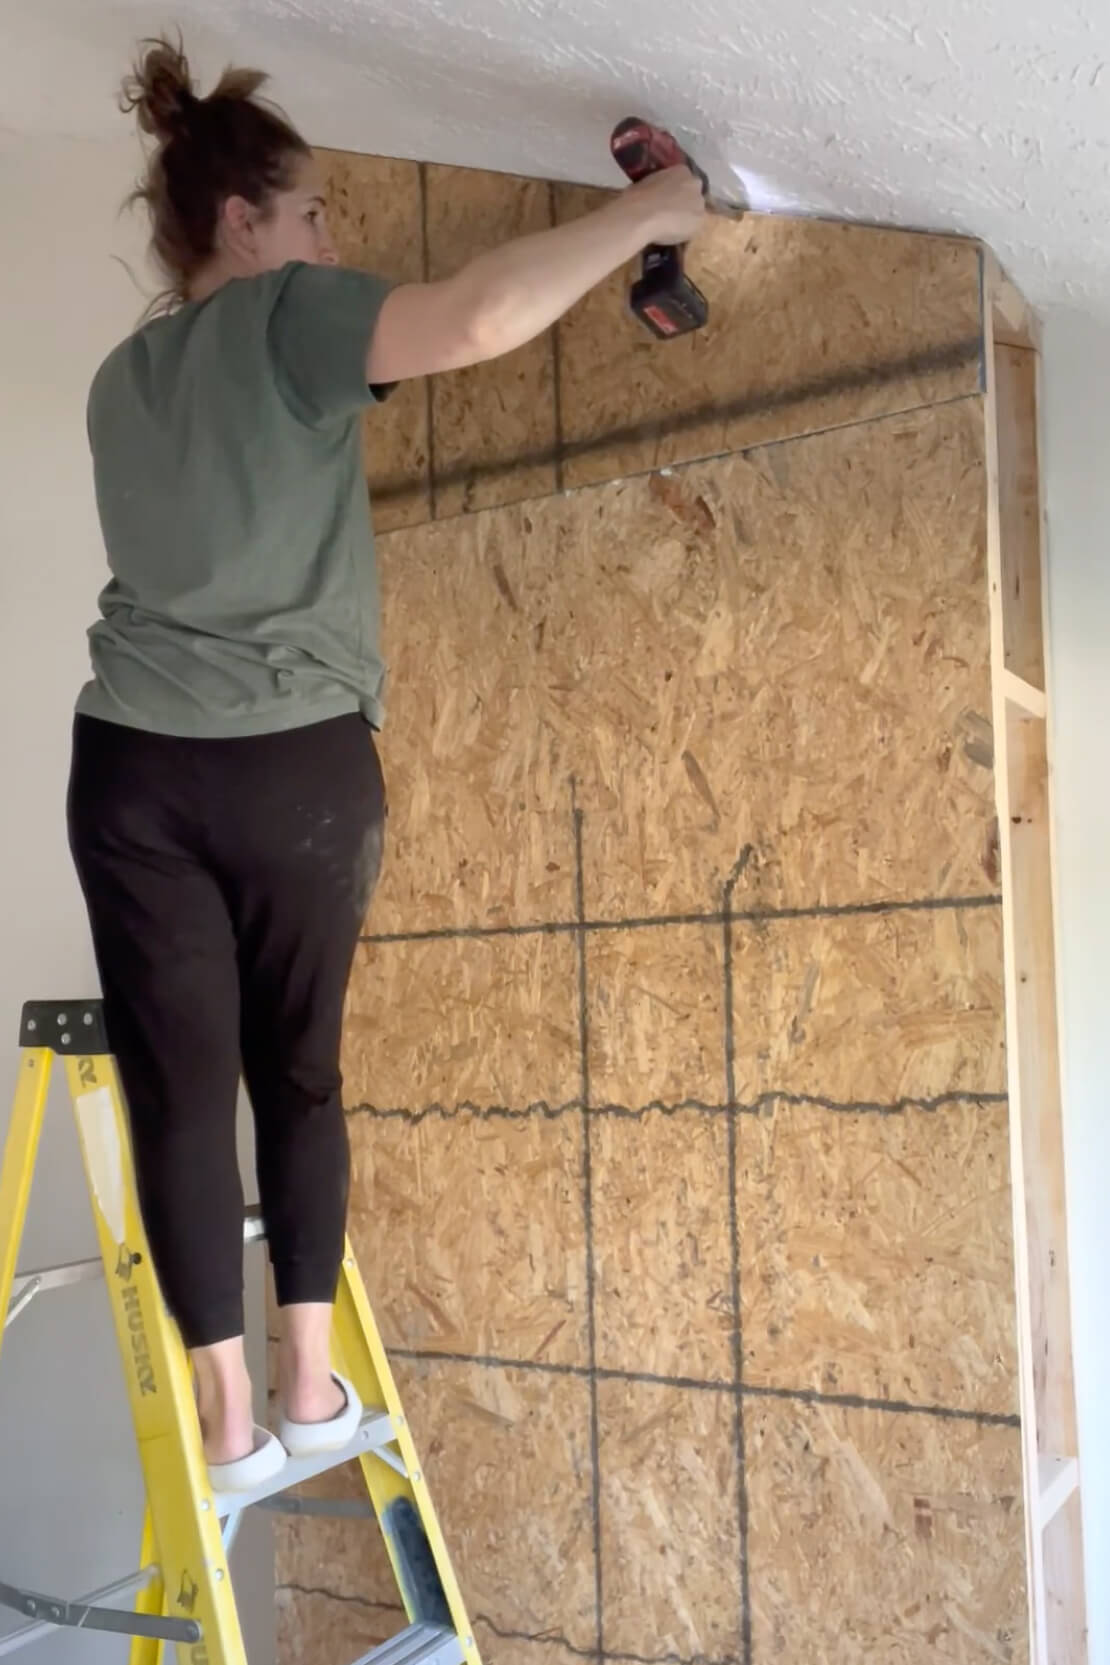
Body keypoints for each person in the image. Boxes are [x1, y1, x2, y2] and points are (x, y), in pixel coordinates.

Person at [67, 34, 706, 1492]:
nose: (329, 242)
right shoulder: (285, 317)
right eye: (312, 217)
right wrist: (647, 213)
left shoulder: (122, 381)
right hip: (287, 768)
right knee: (295, 1076)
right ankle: (308, 1395)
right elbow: (477, 319)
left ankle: (226, 1428)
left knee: (181, 1090)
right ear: (243, 224)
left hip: (127, 771)